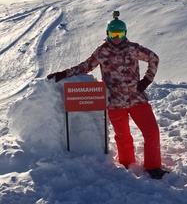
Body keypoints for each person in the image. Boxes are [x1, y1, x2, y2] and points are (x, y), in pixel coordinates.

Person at [47, 11, 168, 179]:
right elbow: (85, 66)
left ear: (125, 33)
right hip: (115, 102)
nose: (116, 37)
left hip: (137, 98)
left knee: (152, 131)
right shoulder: (102, 52)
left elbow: (154, 58)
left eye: (120, 33)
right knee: (123, 135)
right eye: (113, 33)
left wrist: (146, 80)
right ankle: (127, 164)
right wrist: (64, 73)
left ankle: (153, 167)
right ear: (107, 34)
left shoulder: (134, 49)